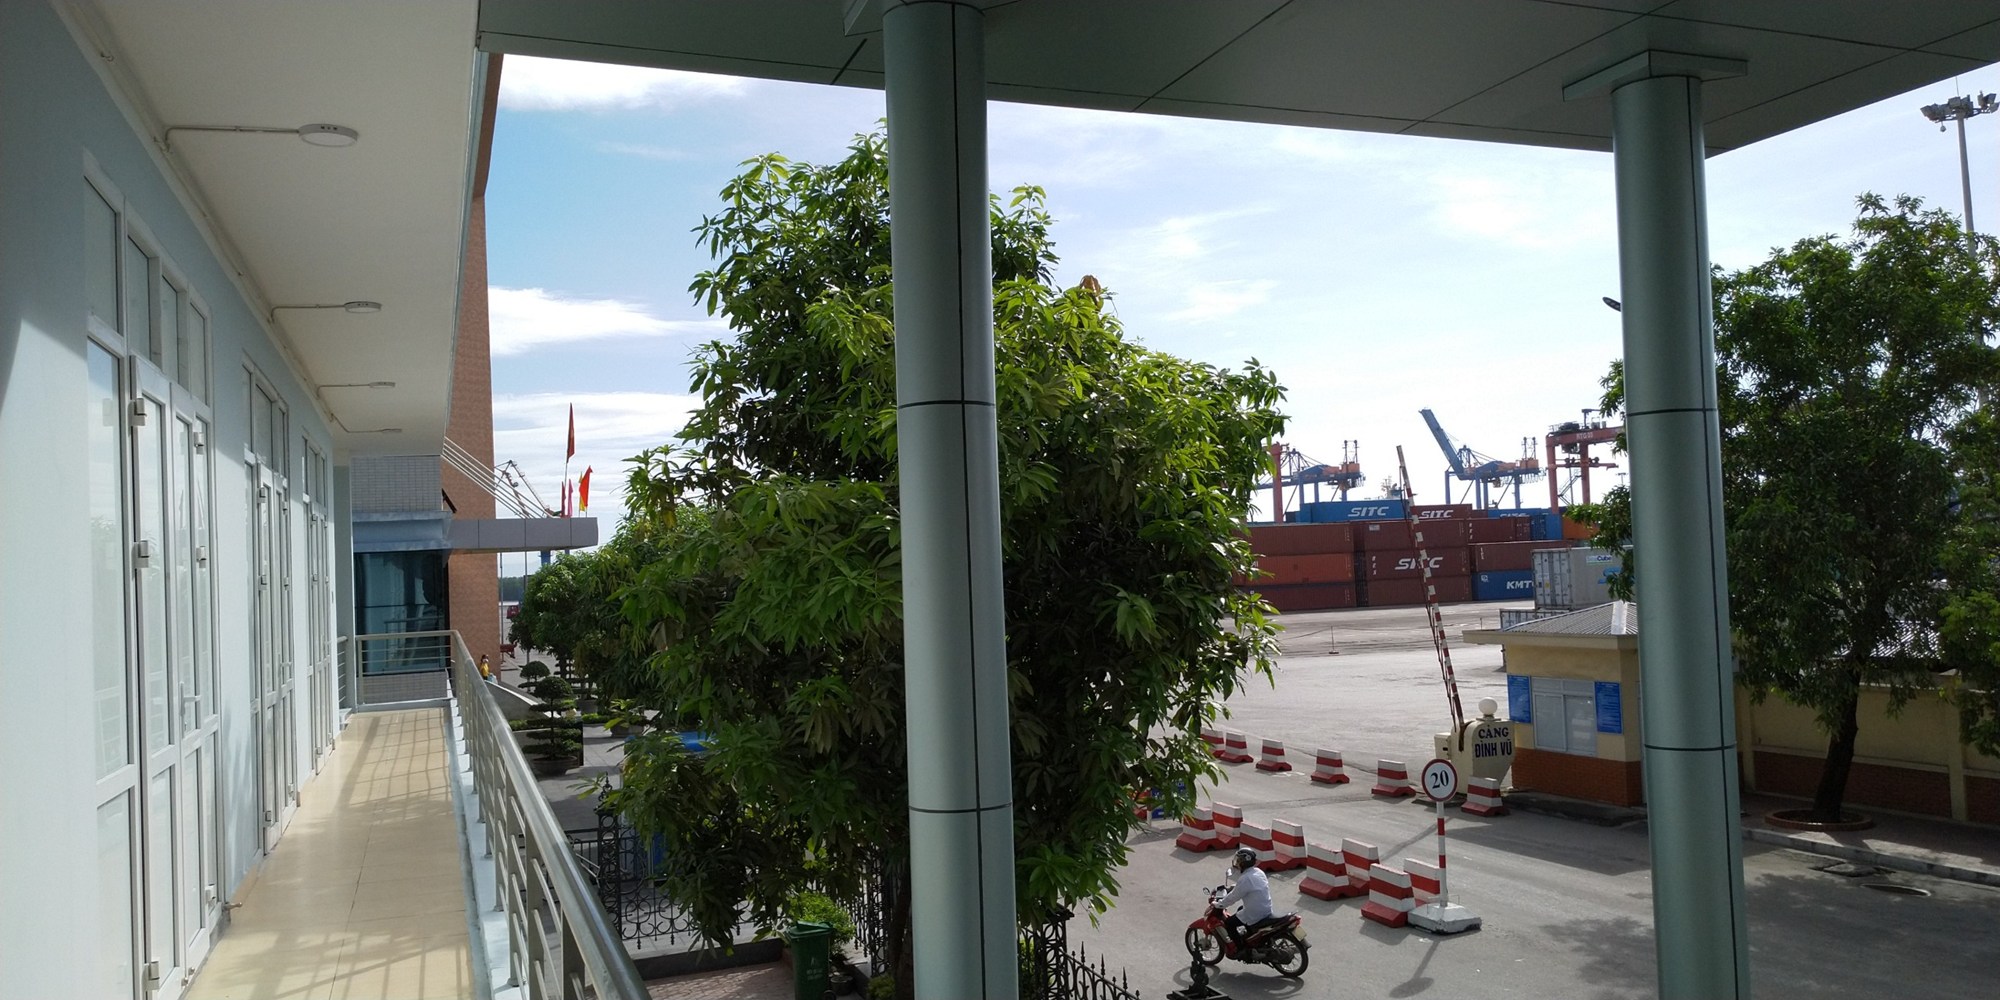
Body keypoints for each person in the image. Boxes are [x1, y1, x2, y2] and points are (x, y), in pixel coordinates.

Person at [1218, 846, 1273, 958]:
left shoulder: (1245, 878)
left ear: (1244, 863)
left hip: (1255, 913)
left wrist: (1219, 904)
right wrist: (1234, 887)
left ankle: (1241, 949)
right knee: (1240, 909)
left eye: (1239, 860)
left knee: (1229, 924)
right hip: (1266, 909)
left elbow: (1233, 897)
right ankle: (1251, 936)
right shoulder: (1258, 872)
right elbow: (1248, 886)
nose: (1237, 862)